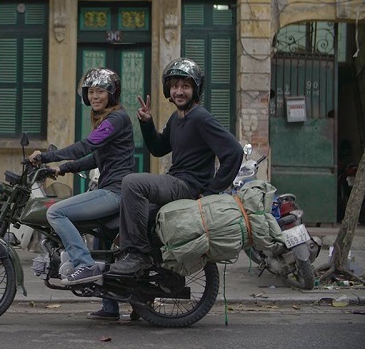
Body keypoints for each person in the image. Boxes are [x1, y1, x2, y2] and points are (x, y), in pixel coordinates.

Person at [109, 58, 243, 275]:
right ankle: (142, 298)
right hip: (176, 181)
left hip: (187, 185)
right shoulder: (176, 118)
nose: (179, 91)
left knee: (132, 183)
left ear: (196, 89)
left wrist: (210, 191)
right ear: (168, 89)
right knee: (139, 217)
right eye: (174, 86)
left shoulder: (200, 117)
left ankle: (136, 255)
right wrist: (146, 123)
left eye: (185, 86)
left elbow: (234, 152)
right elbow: (159, 148)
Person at [28, 67, 135, 321]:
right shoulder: (108, 120)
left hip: (115, 191)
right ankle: (110, 308)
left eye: (101, 91)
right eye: (92, 91)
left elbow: (86, 147)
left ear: (112, 94)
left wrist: (46, 156)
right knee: (102, 247)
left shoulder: (116, 120)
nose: (96, 96)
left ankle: (83, 265)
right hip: (111, 189)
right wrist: (60, 168)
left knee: (57, 212)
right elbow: (94, 158)